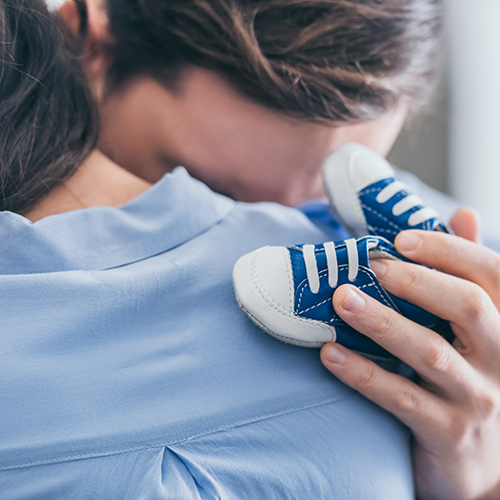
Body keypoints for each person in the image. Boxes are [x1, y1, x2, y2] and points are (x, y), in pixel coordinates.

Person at [52, 0, 500, 498]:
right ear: (81, 37)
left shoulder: (469, 277)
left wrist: (477, 476)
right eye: (211, 192)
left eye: (325, 200)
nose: (281, 237)